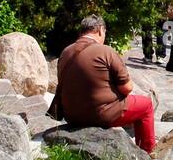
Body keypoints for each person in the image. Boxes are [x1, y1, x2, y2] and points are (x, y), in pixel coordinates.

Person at [54, 15, 155, 152]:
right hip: (100, 114)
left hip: (70, 115)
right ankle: (147, 152)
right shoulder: (105, 51)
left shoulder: (66, 51)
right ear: (100, 30)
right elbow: (127, 88)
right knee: (146, 105)